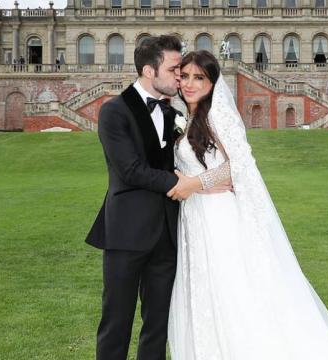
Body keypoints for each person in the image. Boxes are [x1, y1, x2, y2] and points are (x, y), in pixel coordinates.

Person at [167, 50, 328, 359]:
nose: (190, 84)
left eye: (199, 78)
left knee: (229, 292)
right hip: (193, 217)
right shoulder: (186, 117)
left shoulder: (217, 115)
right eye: (186, 76)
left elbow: (241, 164)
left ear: (212, 82)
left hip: (218, 216)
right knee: (203, 294)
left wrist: (195, 183)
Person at [85, 36, 227, 360]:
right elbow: (130, 170)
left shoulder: (173, 111)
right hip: (126, 233)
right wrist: (185, 183)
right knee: (116, 322)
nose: (180, 76)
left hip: (166, 233)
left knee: (158, 326)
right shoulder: (114, 111)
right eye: (174, 68)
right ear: (150, 70)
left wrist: (204, 179)